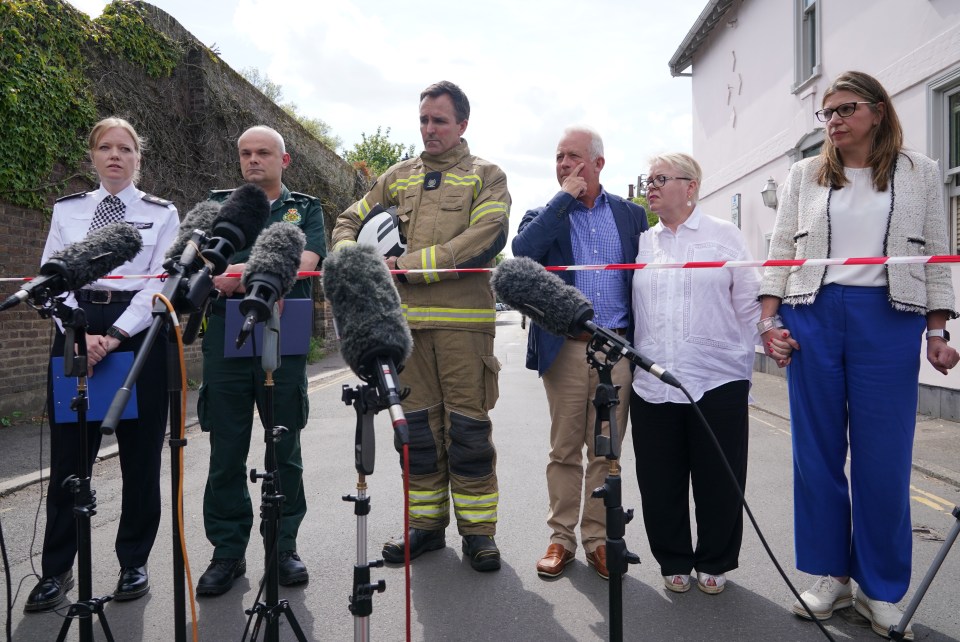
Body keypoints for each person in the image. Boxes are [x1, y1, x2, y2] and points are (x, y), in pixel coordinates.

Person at [760, 71, 957, 639]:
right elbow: (778, 250)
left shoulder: (919, 172)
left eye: (845, 109)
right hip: (812, 313)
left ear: (877, 111)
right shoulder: (804, 173)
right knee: (816, 454)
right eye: (827, 113)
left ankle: (880, 588)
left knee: (884, 459)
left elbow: (935, 257)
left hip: (890, 318)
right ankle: (832, 576)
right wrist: (769, 322)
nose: (835, 120)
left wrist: (936, 333)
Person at [332, 81, 510, 572]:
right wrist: (359, 261)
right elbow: (347, 222)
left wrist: (412, 264)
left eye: (440, 121)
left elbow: (486, 237)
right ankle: (426, 528)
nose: (429, 129)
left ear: (462, 125)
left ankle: (479, 534)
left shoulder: (487, 176)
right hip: (405, 329)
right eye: (424, 121)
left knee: (468, 433)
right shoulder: (397, 177)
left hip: (463, 329)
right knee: (418, 435)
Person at [25, 117, 179, 611]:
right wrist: (78, 333)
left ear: (139, 157)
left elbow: (161, 284)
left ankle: (133, 564)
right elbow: (52, 274)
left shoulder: (162, 213)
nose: (116, 155)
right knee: (71, 460)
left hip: (137, 331)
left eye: (126, 148)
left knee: (139, 458)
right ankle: (56, 571)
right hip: (75, 325)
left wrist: (112, 336)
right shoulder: (68, 210)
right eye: (105, 147)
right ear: (92, 155)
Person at [512, 126, 648, 580]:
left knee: (607, 451)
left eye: (573, 157)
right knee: (565, 448)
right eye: (558, 158)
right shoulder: (545, 214)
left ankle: (599, 538)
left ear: (598, 164)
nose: (564, 165)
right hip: (567, 349)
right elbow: (522, 252)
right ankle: (560, 537)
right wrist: (564, 199)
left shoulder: (630, 215)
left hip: (618, 348)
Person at [195, 125, 326, 595]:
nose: (254, 160)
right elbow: (203, 263)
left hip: (282, 334)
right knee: (226, 450)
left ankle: (283, 546)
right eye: (246, 153)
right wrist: (228, 275)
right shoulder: (220, 205)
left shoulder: (305, 209)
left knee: (283, 448)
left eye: (264, 153)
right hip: (225, 334)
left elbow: (307, 260)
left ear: (283, 160)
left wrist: (241, 273)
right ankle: (227, 552)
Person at [629, 153, 760, 595]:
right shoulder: (643, 242)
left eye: (660, 179)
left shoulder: (724, 236)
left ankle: (715, 558)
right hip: (653, 380)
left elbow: (749, 301)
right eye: (648, 179)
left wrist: (771, 337)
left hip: (717, 377)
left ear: (691, 186)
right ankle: (674, 557)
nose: (650, 186)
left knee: (718, 477)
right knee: (659, 477)